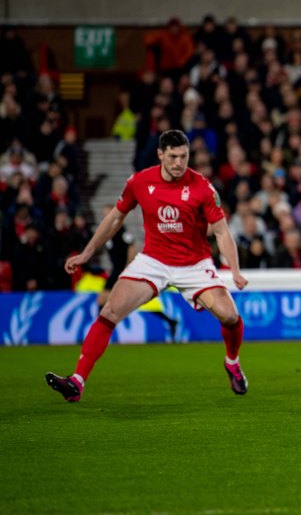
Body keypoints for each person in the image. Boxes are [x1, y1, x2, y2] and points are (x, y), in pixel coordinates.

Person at [46, 130, 250, 402]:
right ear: (161, 155)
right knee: (110, 311)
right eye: (174, 156)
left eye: (184, 157)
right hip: (153, 261)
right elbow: (115, 219)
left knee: (230, 316)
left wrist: (233, 270)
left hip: (194, 265)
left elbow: (222, 232)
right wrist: (87, 253)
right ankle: (77, 382)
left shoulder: (202, 187)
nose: (179, 163)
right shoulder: (139, 182)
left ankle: (232, 362)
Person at [94, 203, 180, 340]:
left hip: (120, 271)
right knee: (118, 302)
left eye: (108, 213)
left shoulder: (121, 230)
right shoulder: (108, 232)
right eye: (104, 213)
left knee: (106, 301)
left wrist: (127, 268)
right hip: (116, 271)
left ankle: (100, 334)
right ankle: (170, 321)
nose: (106, 215)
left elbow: (132, 248)